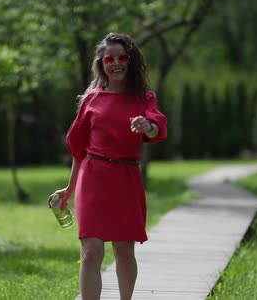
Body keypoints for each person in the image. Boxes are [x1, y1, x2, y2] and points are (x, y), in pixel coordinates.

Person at [48, 32, 167, 300]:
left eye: (122, 57)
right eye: (109, 58)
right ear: (101, 63)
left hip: (125, 179)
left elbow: (156, 124)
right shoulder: (91, 99)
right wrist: (69, 189)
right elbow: (79, 151)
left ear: (131, 61)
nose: (116, 63)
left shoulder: (143, 98)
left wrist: (147, 126)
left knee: (124, 251)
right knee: (91, 251)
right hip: (93, 178)